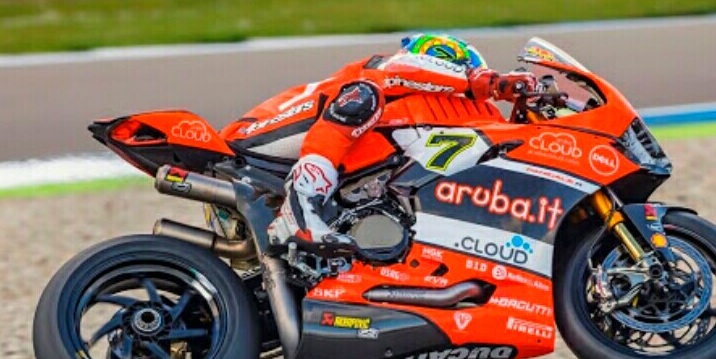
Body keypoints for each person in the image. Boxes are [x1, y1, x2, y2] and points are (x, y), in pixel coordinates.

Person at [222, 34, 538, 249]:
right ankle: (301, 207)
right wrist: (489, 83)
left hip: (286, 168)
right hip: (251, 141)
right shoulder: (386, 69)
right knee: (364, 96)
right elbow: (407, 71)